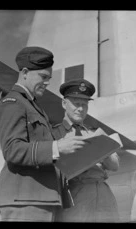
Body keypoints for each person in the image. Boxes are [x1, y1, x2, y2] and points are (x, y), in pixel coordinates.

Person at [0, 47, 86, 221]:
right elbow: (12, 149)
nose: (47, 82)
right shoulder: (13, 103)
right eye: (43, 77)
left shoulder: (33, 107)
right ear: (25, 72)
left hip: (42, 198)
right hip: (25, 200)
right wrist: (57, 147)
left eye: (49, 78)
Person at [53, 79, 120, 222]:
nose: (81, 109)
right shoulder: (54, 134)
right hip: (75, 194)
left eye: (85, 104)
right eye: (76, 103)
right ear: (64, 103)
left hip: (103, 192)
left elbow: (115, 166)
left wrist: (103, 147)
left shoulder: (96, 132)